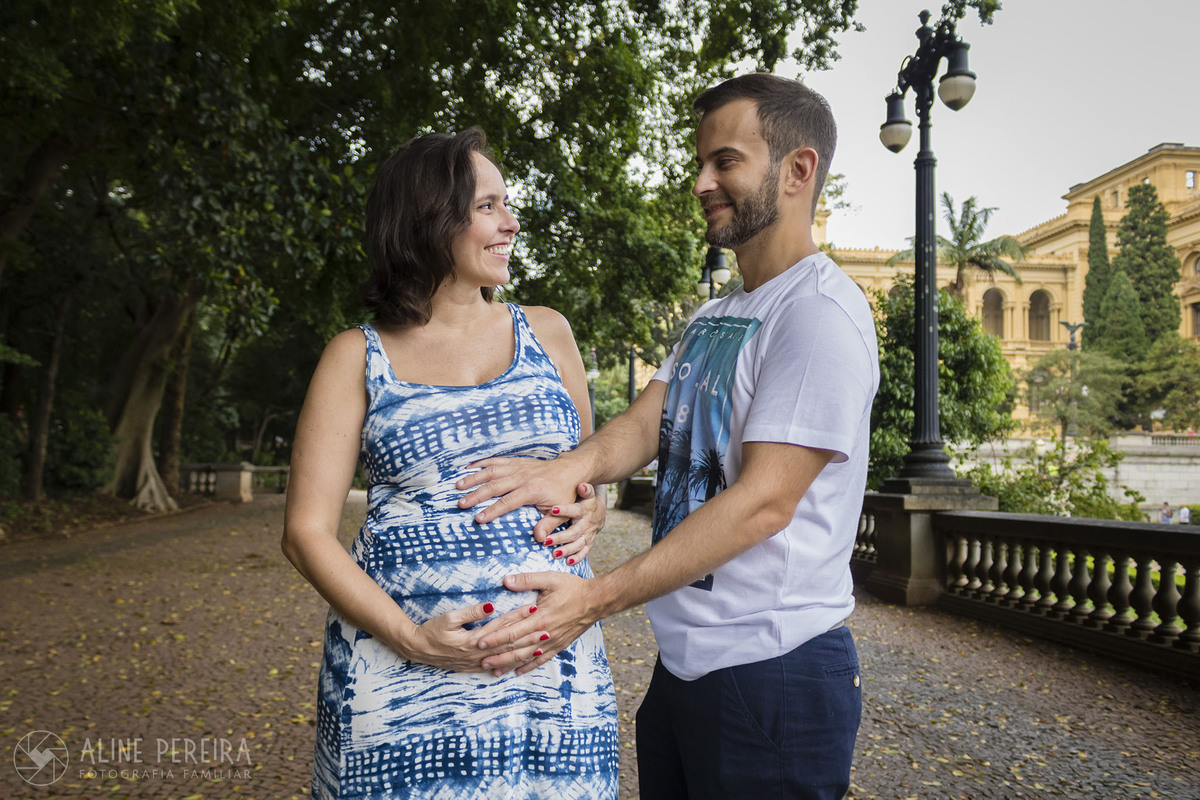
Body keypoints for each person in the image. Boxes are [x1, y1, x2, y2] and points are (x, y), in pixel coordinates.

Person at [457, 74, 879, 799]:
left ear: (798, 171)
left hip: (772, 674)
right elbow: (650, 419)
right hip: (687, 666)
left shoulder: (818, 315)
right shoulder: (720, 312)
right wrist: (560, 470)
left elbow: (764, 504)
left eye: (726, 161)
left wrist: (591, 601)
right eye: (700, 162)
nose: (700, 182)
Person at [281, 127, 618, 799]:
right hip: (402, 673)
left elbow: (585, 470)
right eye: (488, 206)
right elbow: (305, 533)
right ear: (429, 218)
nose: (510, 222)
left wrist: (594, 502)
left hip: (551, 672)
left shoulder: (549, 332)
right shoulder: (357, 355)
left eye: (506, 203)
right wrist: (411, 638)